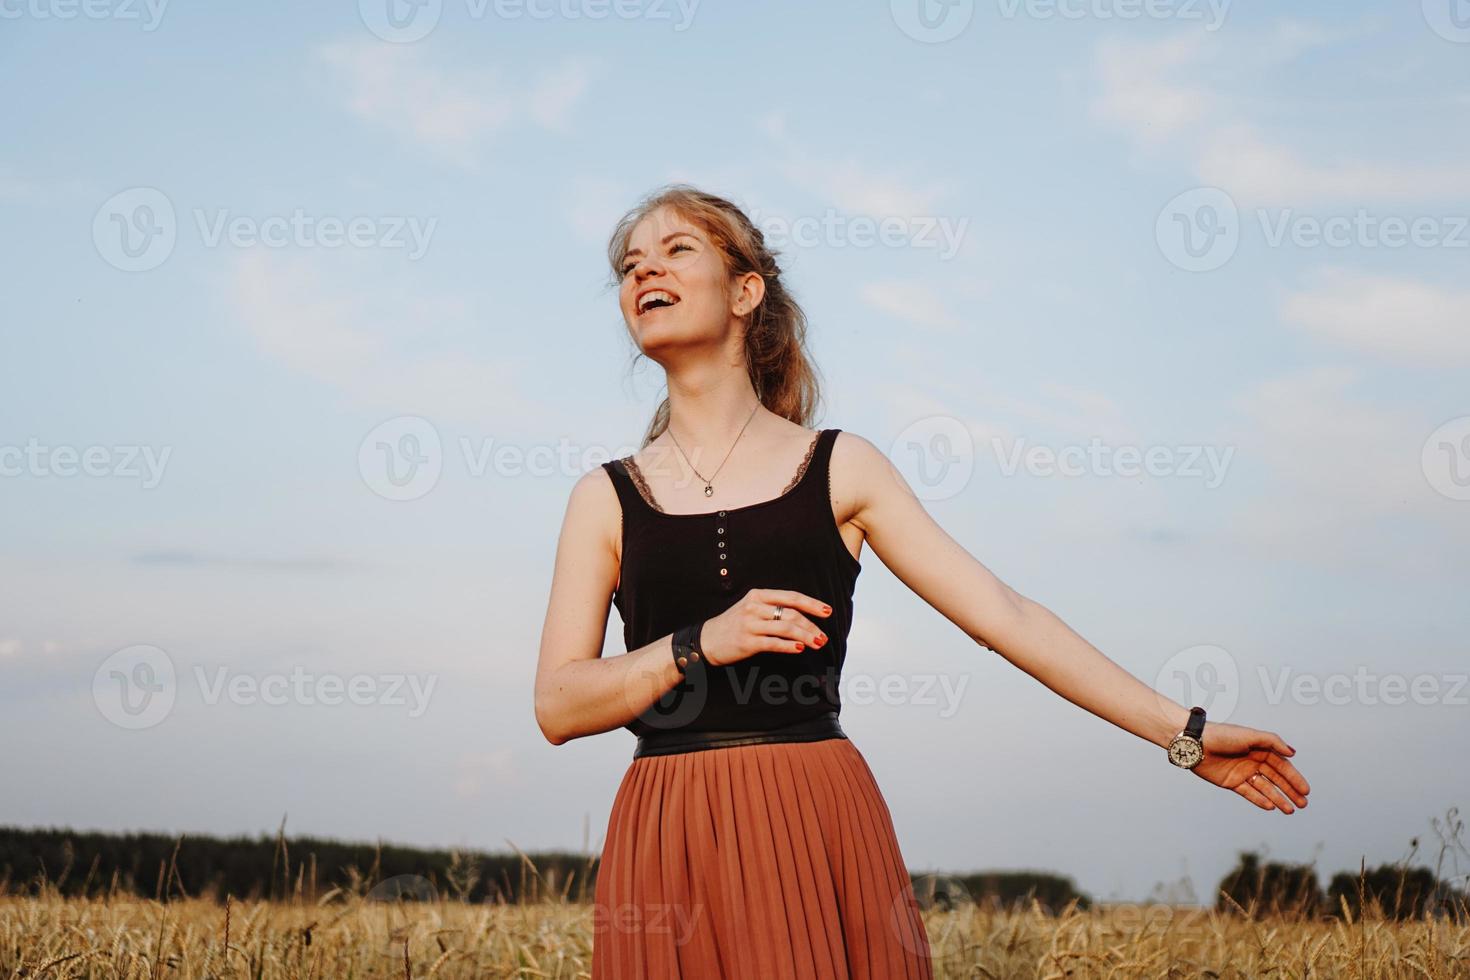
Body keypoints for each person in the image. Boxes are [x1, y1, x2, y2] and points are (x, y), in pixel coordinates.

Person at [533, 184, 1311, 979]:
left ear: (745, 291)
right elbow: (557, 705)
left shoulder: (842, 468)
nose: (643, 272)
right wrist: (698, 645)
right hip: (668, 837)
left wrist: (1183, 734)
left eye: (675, 250)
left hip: (814, 821)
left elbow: (1005, 616)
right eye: (630, 263)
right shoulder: (604, 498)